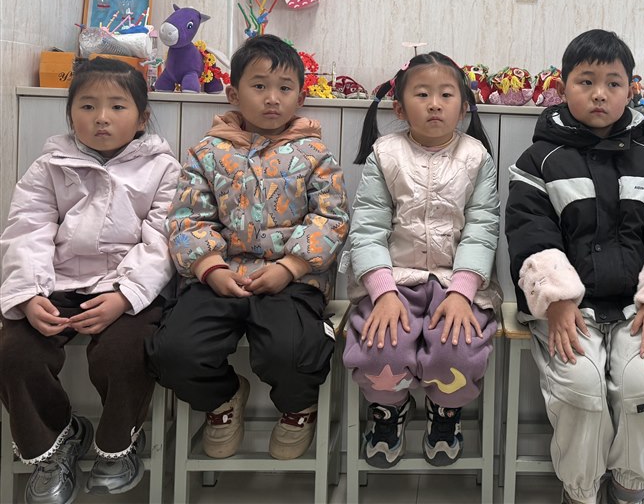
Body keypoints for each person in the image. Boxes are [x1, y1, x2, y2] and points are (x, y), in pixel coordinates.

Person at [505, 29, 644, 504]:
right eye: (586, 81)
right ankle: (581, 492)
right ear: (562, 87)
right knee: (581, 387)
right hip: (568, 309)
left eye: (613, 83)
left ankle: (631, 489)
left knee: (639, 387)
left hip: (639, 309)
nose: (599, 94)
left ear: (632, 89)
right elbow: (531, 235)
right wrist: (555, 301)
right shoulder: (538, 161)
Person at [146, 34, 349, 461]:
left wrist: (290, 267)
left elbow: (331, 218)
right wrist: (211, 268)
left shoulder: (314, 154)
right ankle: (222, 398)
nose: (272, 98)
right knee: (174, 351)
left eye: (284, 88)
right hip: (218, 278)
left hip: (291, 281)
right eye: (259, 86)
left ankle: (298, 407)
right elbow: (187, 218)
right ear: (234, 94)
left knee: (292, 350)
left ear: (300, 97)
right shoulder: (207, 152)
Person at [0, 58, 180, 504]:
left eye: (117, 106)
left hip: (126, 288)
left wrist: (125, 295)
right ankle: (55, 441)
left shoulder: (162, 169)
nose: (101, 117)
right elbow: (27, 231)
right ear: (70, 114)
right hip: (56, 283)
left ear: (141, 118)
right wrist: (29, 296)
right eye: (87, 106)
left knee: (124, 353)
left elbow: (162, 241)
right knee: (14, 352)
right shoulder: (49, 166)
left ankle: (119, 442)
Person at [342, 52, 500, 468]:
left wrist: (463, 292)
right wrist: (383, 293)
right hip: (394, 281)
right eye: (422, 94)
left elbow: (482, 228)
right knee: (381, 348)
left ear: (462, 108)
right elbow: (368, 228)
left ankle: (445, 411)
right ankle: (388, 410)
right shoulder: (385, 153)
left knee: (457, 350)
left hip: (455, 283)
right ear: (399, 107)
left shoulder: (477, 157)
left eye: (446, 95)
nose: (434, 104)